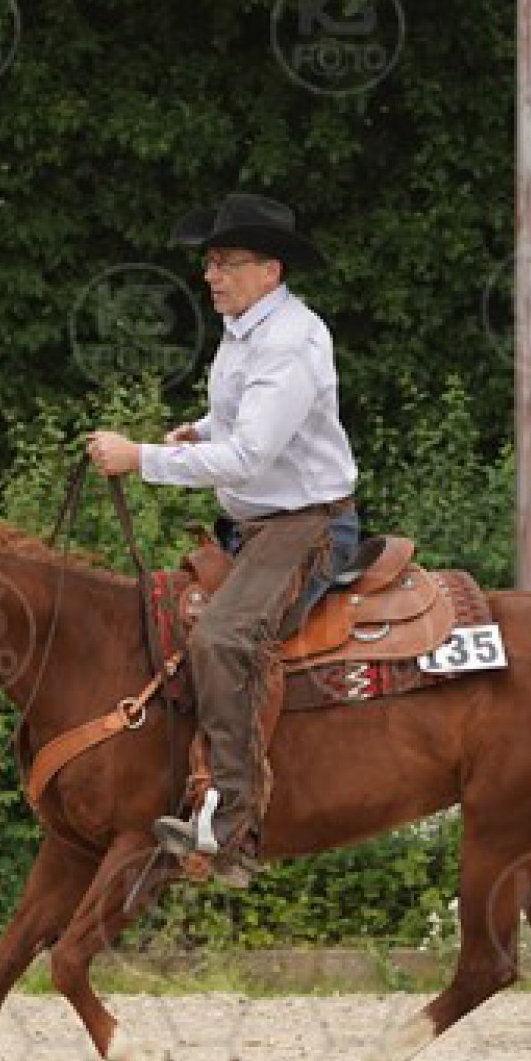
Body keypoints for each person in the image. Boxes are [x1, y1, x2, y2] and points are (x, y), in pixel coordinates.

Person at [86, 192, 360, 885]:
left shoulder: (289, 341)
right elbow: (241, 419)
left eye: (227, 261)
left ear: (270, 269)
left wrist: (141, 458)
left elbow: (249, 457)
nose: (211, 275)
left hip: (305, 527)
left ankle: (232, 827)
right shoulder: (248, 332)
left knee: (221, 639)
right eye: (209, 261)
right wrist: (200, 430)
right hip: (260, 525)